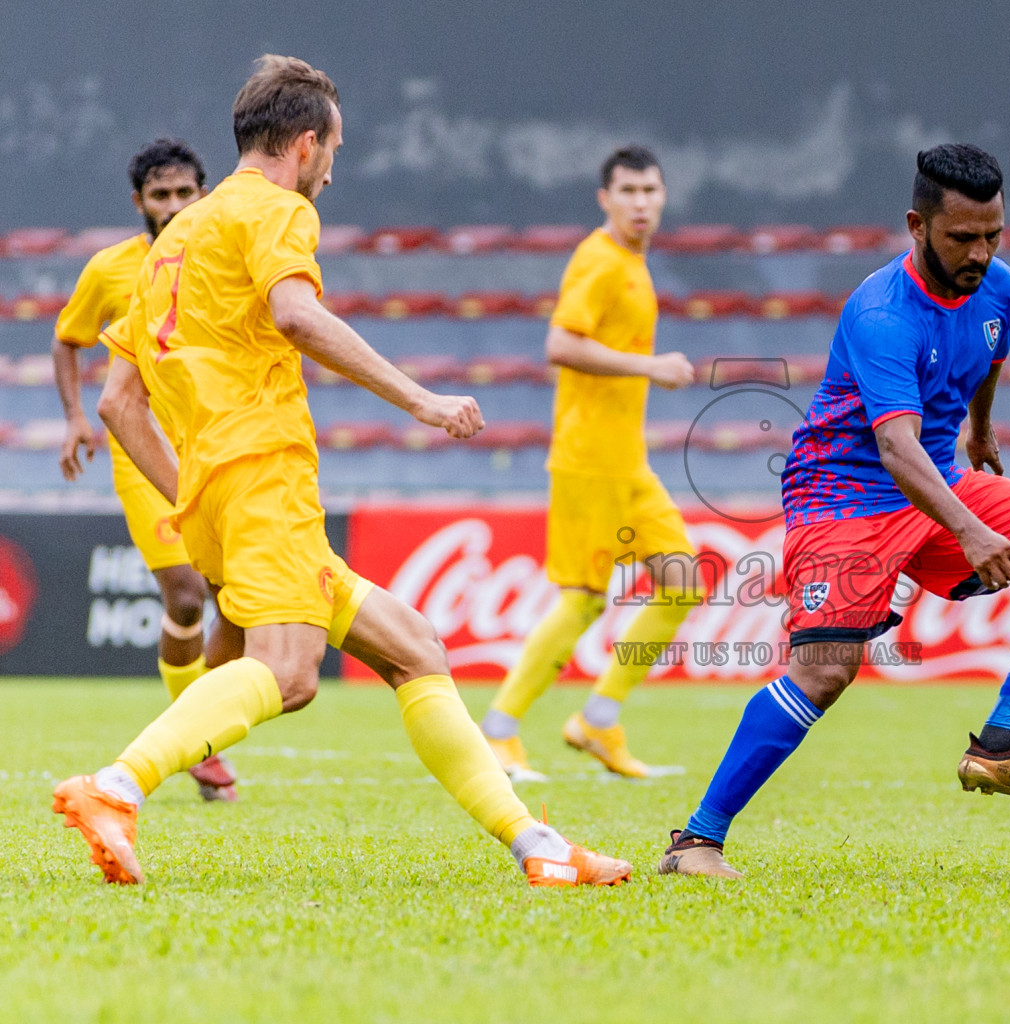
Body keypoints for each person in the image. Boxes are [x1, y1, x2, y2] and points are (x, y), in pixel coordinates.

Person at [50, 54, 630, 889]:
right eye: (335, 150)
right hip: (265, 473)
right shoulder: (276, 209)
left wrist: (193, 493)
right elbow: (296, 312)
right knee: (288, 675)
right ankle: (115, 786)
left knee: (416, 649)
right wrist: (421, 400)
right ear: (308, 143)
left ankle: (537, 847)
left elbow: (117, 403)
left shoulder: (174, 240)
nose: (333, 169)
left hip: (221, 489)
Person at [659, 144, 1010, 878]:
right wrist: (969, 531)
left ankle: (1002, 744)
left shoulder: (999, 286)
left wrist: (984, 426)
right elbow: (895, 449)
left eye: (992, 235)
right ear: (916, 225)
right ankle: (696, 843)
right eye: (960, 237)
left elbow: (989, 354)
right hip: (843, 495)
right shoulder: (881, 313)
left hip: (935, 475)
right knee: (824, 673)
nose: (979, 252)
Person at [479, 146, 700, 781]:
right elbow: (559, 344)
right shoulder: (599, 260)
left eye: (649, 190)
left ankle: (598, 722)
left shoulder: (632, 263)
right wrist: (650, 366)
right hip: (588, 459)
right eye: (627, 190)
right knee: (582, 601)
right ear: (604, 198)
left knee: (683, 583)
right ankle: (498, 733)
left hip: (628, 463)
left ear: (662, 197)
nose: (640, 202)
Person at [51, 138, 237, 802]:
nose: (175, 205)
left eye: (186, 192)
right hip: (141, 448)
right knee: (186, 594)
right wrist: (76, 416)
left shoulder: (220, 257)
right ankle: (200, 752)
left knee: (230, 599)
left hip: (214, 441)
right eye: (161, 195)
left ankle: (200, 728)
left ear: (204, 193)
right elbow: (68, 338)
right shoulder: (111, 270)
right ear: (140, 203)